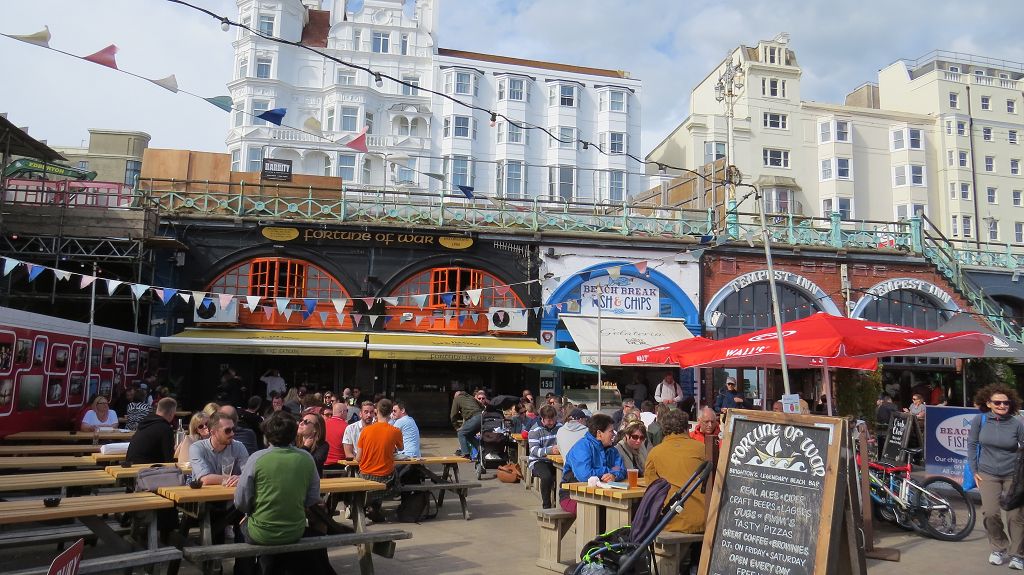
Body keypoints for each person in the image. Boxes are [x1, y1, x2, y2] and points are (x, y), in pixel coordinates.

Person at [234, 411, 332, 574]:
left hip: (261, 532)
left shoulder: (257, 458)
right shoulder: (306, 458)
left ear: (266, 433)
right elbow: (312, 498)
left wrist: (250, 512)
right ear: (293, 433)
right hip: (295, 530)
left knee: (240, 530)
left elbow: (241, 501)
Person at [968, 384, 1024, 568]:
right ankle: (999, 547)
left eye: (1006, 402)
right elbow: (972, 444)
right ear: (988, 403)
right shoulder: (980, 420)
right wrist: (974, 470)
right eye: (997, 402)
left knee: (1015, 516)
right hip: (987, 473)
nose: (1002, 405)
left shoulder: (1017, 423)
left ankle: (1017, 554)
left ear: (1011, 404)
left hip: (1013, 475)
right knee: (990, 513)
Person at [644, 408, 707, 557]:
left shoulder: (655, 452)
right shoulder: (702, 449)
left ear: (664, 430)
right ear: (687, 428)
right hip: (704, 519)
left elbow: (651, 490)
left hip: (672, 520)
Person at [559, 414, 625, 515]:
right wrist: (607, 471)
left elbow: (619, 468)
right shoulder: (582, 447)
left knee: (626, 509)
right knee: (598, 513)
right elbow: (584, 475)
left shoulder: (612, 450)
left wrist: (614, 475)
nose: (614, 434)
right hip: (573, 495)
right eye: (611, 431)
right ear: (599, 434)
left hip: (603, 495)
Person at [357, 399, 404, 523]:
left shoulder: (365, 431)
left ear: (376, 411)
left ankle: (370, 508)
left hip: (365, 476)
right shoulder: (395, 431)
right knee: (400, 474)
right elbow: (401, 448)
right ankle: (376, 509)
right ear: (391, 413)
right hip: (386, 479)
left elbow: (358, 458)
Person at [190, 412, 250, 486]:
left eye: (233, 429)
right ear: (213, 432)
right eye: (227, 430)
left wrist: (241, 478)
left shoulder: (239, 446)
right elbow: (205, 479)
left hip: (230, 496)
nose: (232, 433)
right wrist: (236, 479)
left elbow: (248, 475)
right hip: (203, 496)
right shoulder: (197, 448)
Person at [528, 405, 562, 509]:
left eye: (553, 419)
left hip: (556, 461)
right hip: (538, 461)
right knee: (547, 477)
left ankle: (560, 502)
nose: (551, 422)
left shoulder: (560, 427)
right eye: (548, 420)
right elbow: (533, 450)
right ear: (542, 419)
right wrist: (550, 450)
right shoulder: (535, 430)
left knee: (565, 477)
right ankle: (546, 506)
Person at [126, 397, 177, 464]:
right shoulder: (165, 429)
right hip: (146, 469)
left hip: (131, 464)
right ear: (171, 413)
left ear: (157, 410)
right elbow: (169, 458)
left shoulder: (145, 423)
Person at [454, 389, 488, 458]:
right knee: (469, 434)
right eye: (480, 398)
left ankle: (465, 453)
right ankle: (480, 449)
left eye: (483, 398)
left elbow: (453, 415)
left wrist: (456, 427)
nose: (481, 399)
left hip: (475, 418)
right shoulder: (470, 397)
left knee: (461, 432)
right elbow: (480, 406)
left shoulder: (457, 399)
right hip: (481, 418)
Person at [297, 411, 329, 476]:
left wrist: (305, 448)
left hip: (312, 482)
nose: (301, 423)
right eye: (301, 420)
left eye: (306, 422)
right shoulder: (293, 441)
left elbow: (313, 464)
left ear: (315, 428)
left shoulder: (322, 445)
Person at [875, 393, 900, 458]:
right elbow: (897, 416)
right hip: (890, 428)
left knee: (880, 444)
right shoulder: (893, 406)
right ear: (889, 400)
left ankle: (880, 458)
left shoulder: (879, 407)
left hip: (880, 428)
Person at [323, 402, 348, 466]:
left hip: (323, 463)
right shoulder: (347, 427)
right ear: (342, 412)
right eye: (347, 411)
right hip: (340, 464)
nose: (347, 413)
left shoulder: (323, 425)